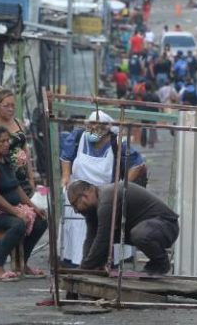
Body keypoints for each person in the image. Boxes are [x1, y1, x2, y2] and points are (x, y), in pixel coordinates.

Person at [58, 111, 146, 268]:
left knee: (101, 227)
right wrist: (65, 176)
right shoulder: (79, 137)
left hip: (104, 191)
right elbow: (66, 156)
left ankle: (100, 261)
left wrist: (121, 186)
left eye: (100, 126)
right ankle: (73, 258)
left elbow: (138, 165)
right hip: (79, 188)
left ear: (108, 128)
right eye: (91, 124)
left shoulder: (117, 143)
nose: (95, 128)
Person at [0, 126, 47, 281]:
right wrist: (16, 212)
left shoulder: (4, 160)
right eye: (2, 141)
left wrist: (34, 207)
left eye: (7, 140)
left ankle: (22, 263)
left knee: (41, 221)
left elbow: (16, 188)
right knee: (18, 223)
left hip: (4, 209)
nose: (6, 144)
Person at [67, 181, 179, 274]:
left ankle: (161, 263)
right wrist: (84, 267)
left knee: (136, 234)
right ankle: (99, 266)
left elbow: (103, 239)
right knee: (105, 237)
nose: (76, 211)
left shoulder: (107, 200)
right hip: (150, 227)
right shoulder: (94, 209)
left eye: (75, 204)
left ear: (86, 193)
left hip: (167, 225)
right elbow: (91, 238)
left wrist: (85, 268)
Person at [0, 87, 36, 197]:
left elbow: (25, 151)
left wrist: (31, 178)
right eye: (6, 106)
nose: (10, 109)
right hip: (3, 183)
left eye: (13, 105)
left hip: (22, 180)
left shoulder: (18, 123)